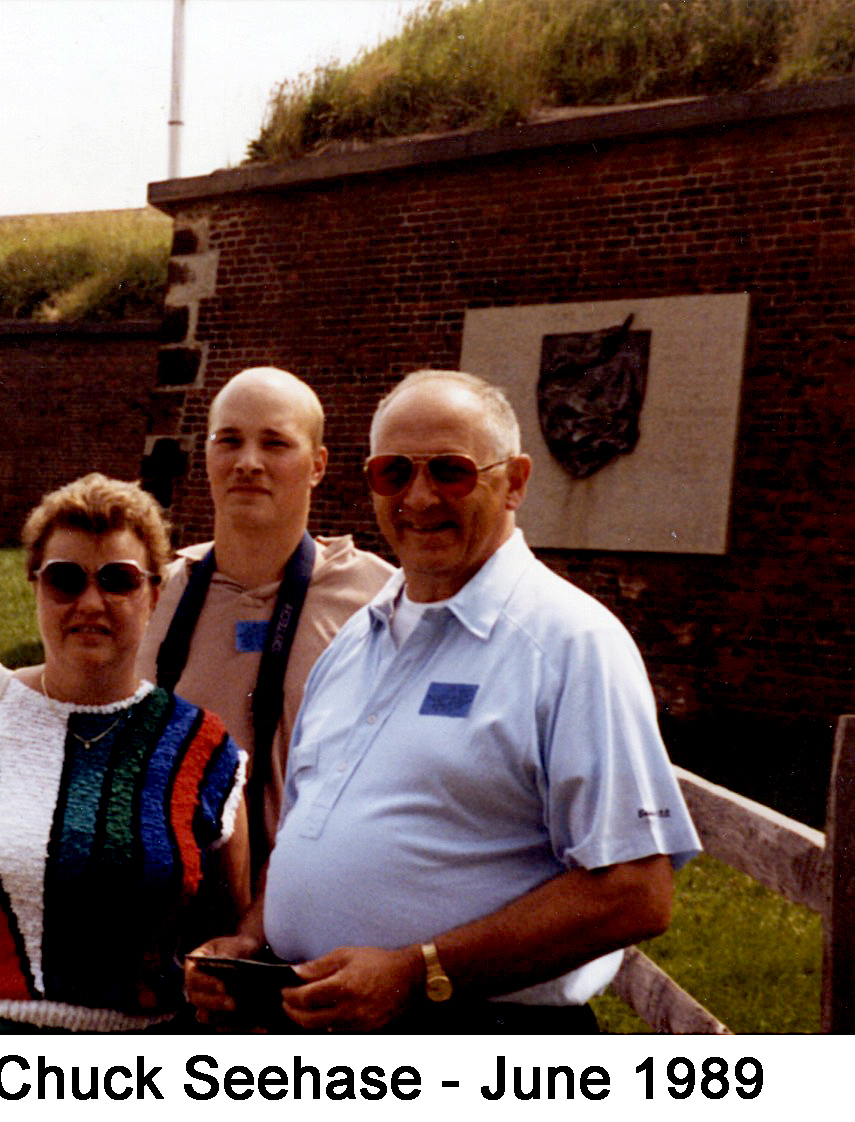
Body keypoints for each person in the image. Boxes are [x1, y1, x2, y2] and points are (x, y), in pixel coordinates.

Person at [186, 369, 700, 1033]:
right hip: (317, 1019)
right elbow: (309, 831)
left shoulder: (569, 643)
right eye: (393, 472)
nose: (419, 497)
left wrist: (414, 972)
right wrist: (252, 940)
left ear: (513, 481)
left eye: (450, 471)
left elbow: (633, 893)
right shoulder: (355, 639)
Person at [0, 473, 250, 1033]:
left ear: (153, 594)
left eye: (118, 580)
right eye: (65, 579)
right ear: (35, 587)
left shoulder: (204, 749)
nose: (90, 602)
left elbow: (222, 940)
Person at [136, 367, 392, 875]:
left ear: (317, 465)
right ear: (205, 456)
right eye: (228, 441)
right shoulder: (153, 595)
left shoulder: (378, 601)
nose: (248, 463)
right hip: (163, 899)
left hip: (311, 904)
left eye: (275, 444)